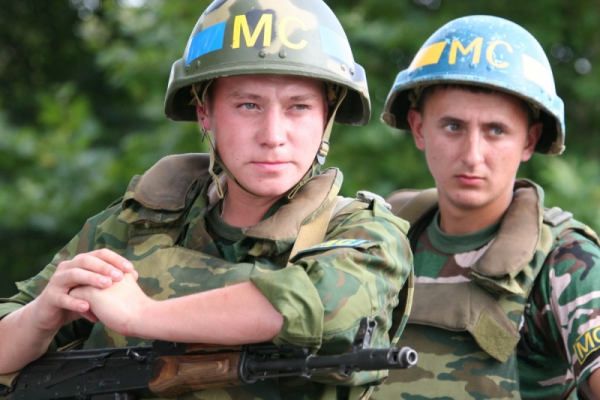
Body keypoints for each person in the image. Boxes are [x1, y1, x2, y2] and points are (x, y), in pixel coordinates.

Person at [0, 1, 413, 399]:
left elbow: (321, 307)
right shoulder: (132, 225)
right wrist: (40, 316)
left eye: (298, 107)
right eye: (248, 105)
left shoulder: (365, 233)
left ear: (326, 117)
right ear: (205, 114)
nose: (273, 135)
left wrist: (141, 315)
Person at [369, 15, 600, 400]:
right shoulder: (379, 239)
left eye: (496, 130)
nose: (472, 155)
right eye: (453, 127)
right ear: (419, 128)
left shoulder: (566, 263)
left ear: (529, 141)